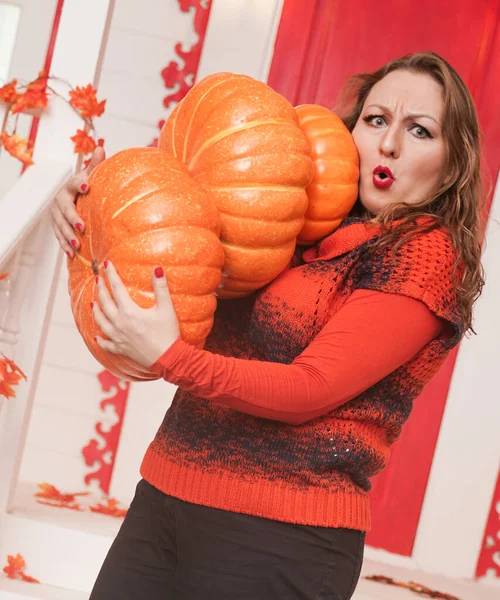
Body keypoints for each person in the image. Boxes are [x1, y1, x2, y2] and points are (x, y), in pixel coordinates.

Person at [50, 51, 485, 600]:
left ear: (453, 163)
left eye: (419, 130)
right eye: (376, 120)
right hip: (165, 496)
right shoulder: (290, 221)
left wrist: (172, 358)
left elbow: (313, 388)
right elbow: (176, 255)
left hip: (280, 538)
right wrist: (91, 211)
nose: (390, 144)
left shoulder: (424, 255)